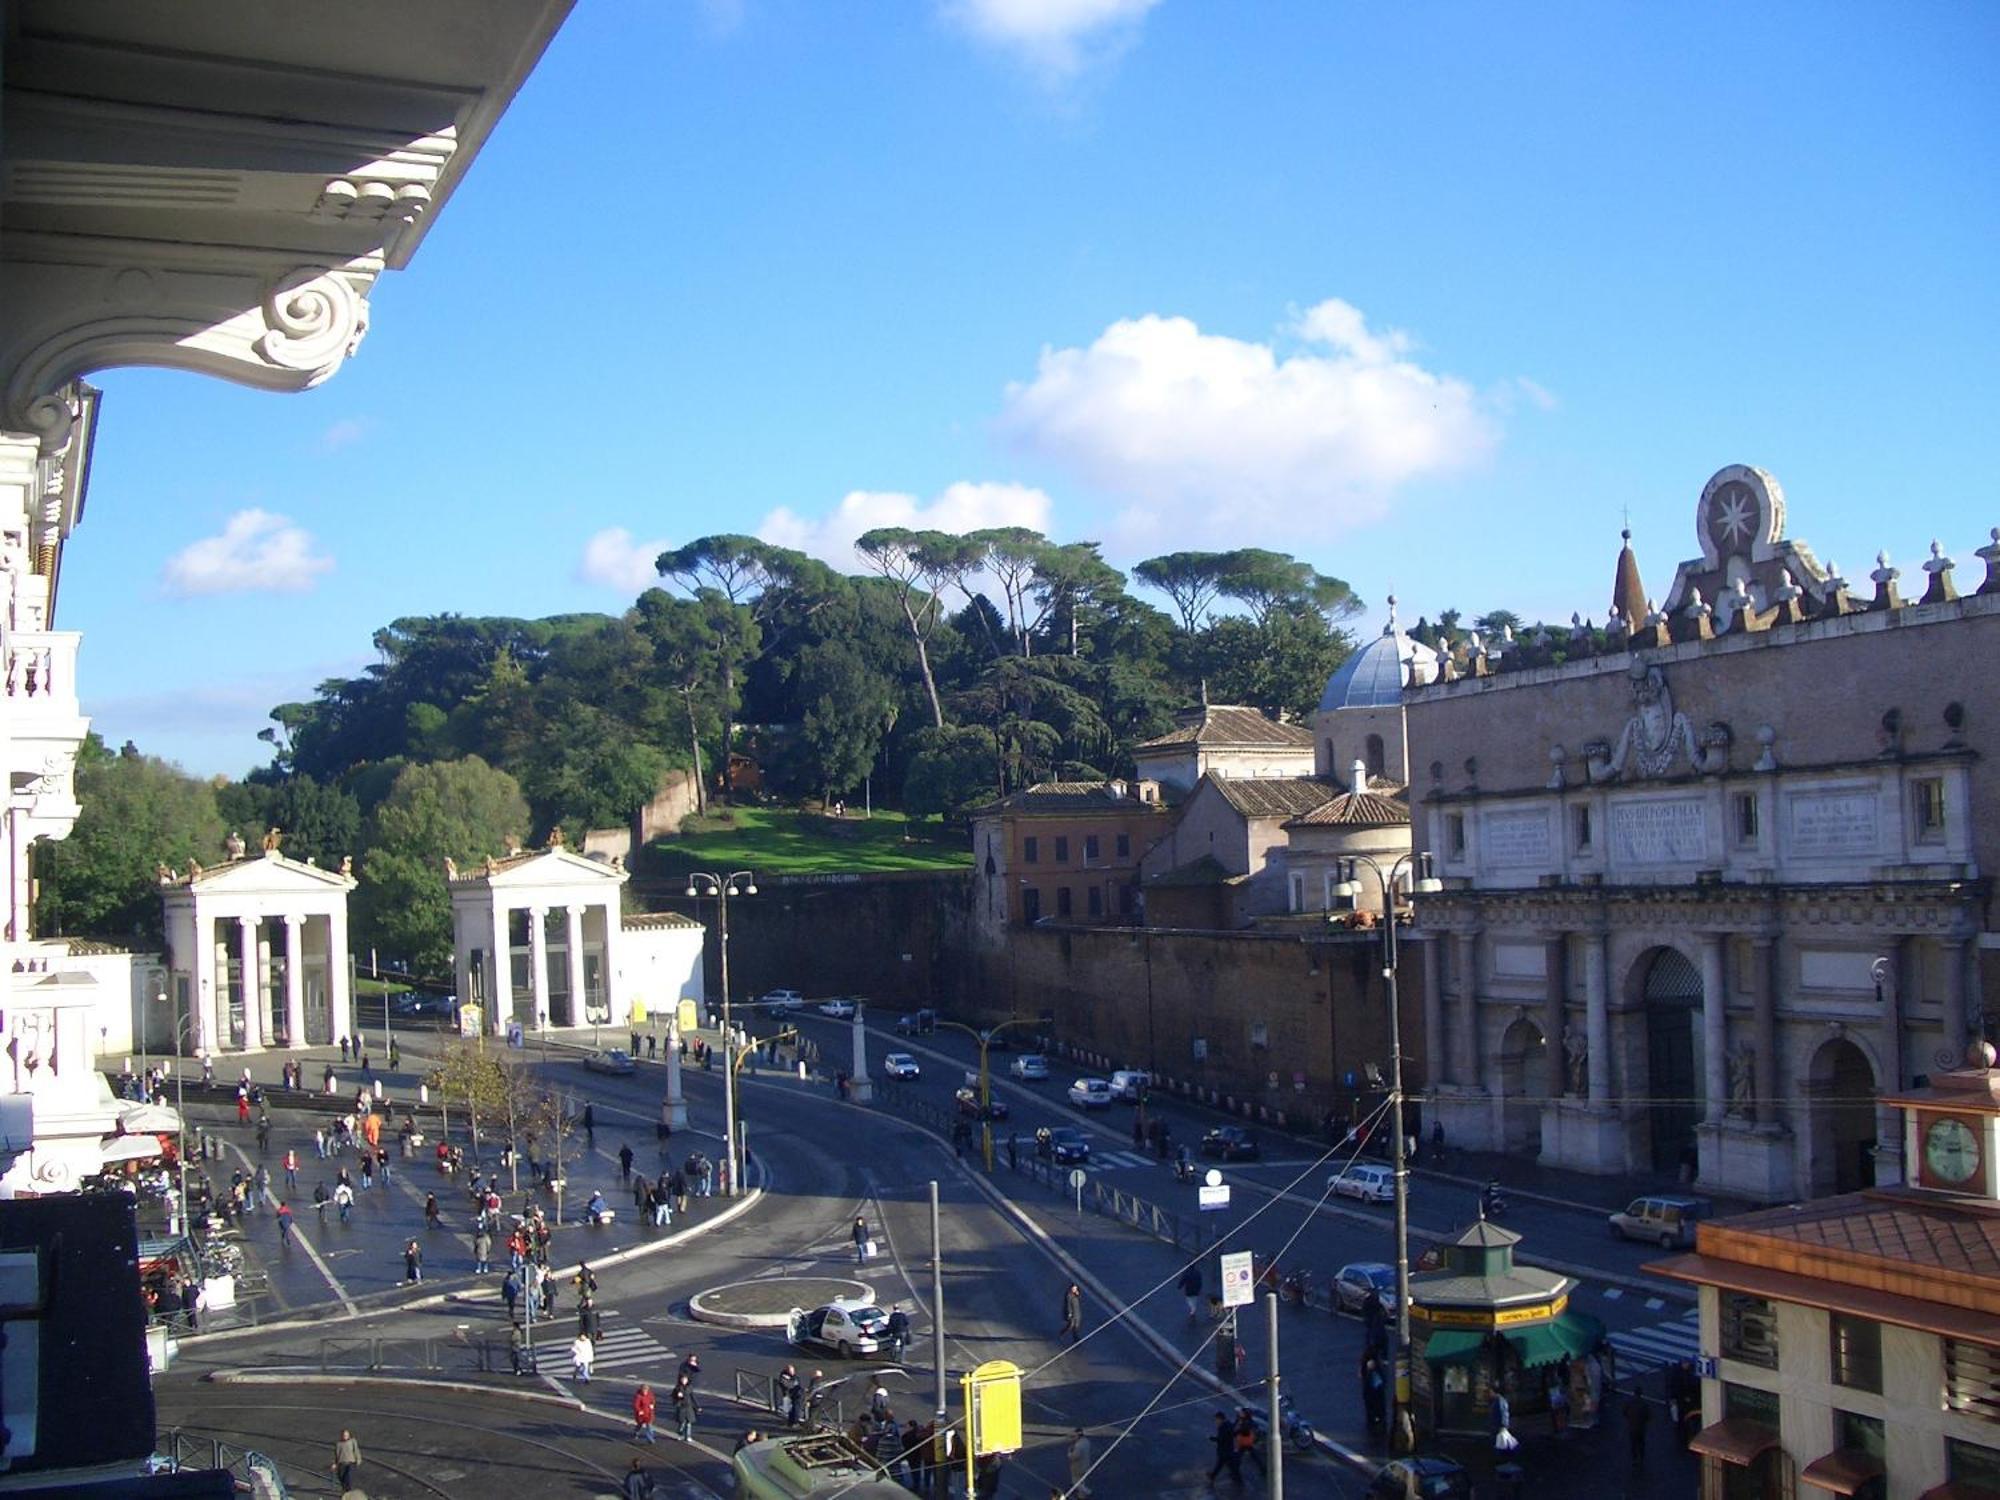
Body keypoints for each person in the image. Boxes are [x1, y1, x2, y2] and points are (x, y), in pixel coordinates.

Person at [1208, 1412, 1242, 1487]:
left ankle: (1238, 1480)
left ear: (1220, 1419)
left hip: (1224, 1450)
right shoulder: (1229, 1423)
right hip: (1229, 1449)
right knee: (1223, 1464)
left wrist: (1212, 1438)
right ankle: (1213, 1475)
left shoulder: (1222, 1427)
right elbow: (1233, 1432)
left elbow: (1221, 1439)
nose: (1216, 1421)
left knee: (1227, 1465)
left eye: (1216, 1419)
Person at [1625, 1387, 1651, 1467]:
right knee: (1641, 1443)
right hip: (1641, 1427)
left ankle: (1634, 1459)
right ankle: (1641, 1458)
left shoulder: (1629, 1403)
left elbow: (1624, 1412)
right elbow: (1648, 1416)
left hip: (1632, 1426)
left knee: (1633, 1444)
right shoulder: (1644, 1404)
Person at [1066, 1427, 1094, 1498]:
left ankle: (1086, 1491)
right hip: (1086, 1464)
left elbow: (1073, 1457)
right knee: (1082, 1480)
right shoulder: (1087, 1442)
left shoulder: (1079, 1446)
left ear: (1078, 1436)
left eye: (1075, 1436)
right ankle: (1081, 1495)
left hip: (1078, 1467)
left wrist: (1069, 1453)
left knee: (1076, 1481)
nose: (1074, 1438)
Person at [672, 1375, 699, 1441]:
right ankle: (680, 1434)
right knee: (682, 1423)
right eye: (683, 1380)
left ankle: (688, 1436)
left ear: (687, 1380)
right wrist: (678, 1396)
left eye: (685, 1380)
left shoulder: (690, 1388)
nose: (684, 1381)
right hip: (681, 1407)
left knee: (689, 1423)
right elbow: (673, 1396)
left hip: (689, 1407)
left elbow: (693, 1397)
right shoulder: (677, 1388)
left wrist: (697, 1406)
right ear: (680, 1380)